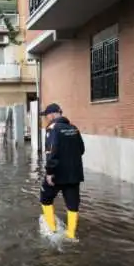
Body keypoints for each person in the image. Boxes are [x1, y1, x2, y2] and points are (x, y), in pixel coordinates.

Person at [39, 103, 85, 240]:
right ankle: (71, 234)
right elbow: (81, 150)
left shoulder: (52, 129)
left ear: (52, 114)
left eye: (47, 116)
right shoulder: (74, 128)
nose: (47, 119)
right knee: (72, 204)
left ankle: (52, 229)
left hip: (57, 174)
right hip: (74, 174)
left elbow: (51, 152)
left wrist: (49, 172)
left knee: (45, 198)